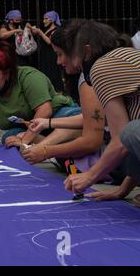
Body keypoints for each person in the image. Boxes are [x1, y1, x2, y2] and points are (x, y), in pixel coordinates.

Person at [61, 20, 140, 202]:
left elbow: (122, 139)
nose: (73, 62)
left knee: (126, 135)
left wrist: (90, 176)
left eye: (73, 54)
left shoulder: (101, 67)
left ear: (87, 51)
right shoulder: (126, 56)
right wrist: (122, 190)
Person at [21, 26, 106, 175]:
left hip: (113, 153)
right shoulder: (88, 74)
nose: (58, 61)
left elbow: (93, 140)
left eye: (60, 54)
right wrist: (46, 124)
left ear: (82, 51)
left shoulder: (91, 77)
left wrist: (47, 151)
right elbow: (90, 119)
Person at [31, 11, 65, 93]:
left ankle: (58, 93)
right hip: (45, 56)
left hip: (52, 56)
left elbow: (50, 41)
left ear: (52, 20)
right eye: (43, 19)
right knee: (46, 74)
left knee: (53, 74)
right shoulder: (47, 30)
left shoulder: (56, 30)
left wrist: (40, 32)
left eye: (46, 19)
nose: (44, 21)